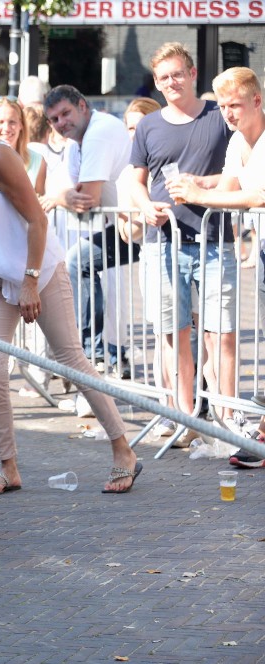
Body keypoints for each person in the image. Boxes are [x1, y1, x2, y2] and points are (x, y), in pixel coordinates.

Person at [0, 80, 142, 495]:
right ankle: (8, 468)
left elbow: (37, 221)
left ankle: (123, 450)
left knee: (70, 360)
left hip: (38, 270)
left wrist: (29, 281)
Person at [128, 43, 234, 444]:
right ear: (156, 83)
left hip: (213, 240)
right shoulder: (150, 125)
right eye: (163, 77)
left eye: (177, 74)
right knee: (175, 336)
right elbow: (136, 180)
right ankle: (186, 420)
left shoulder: (219, 116)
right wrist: (144, 207)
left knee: (220, 335)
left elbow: (239, 169)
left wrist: (202, 187)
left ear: (192, 74)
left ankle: (225, 421)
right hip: (163, 243)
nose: (171, 82)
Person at [163, 67, 265, 464]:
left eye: (234, 105)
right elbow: (229, 186)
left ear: (256, 100)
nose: (227, 114)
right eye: (222, 106)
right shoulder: (239, 140)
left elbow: (257, 196)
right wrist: (199, 184)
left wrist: (199, 196)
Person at [44, 85, 135, 383]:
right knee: (77, 263)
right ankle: (88, 355)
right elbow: (66, 190)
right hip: (124, 225)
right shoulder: (75, 143)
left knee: (77, 261)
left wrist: (61, 198)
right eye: (54, 119)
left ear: (83, 106)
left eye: (66, 113)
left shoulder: (98, 132)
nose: (61, 123)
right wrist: (63, 196)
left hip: (144, 225)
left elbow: (85, 200)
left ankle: (88, 355)